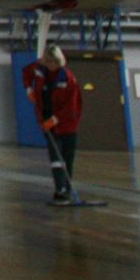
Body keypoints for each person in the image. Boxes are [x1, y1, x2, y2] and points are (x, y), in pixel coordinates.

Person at [22, 45, 84, 202]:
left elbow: (71, 106)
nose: (49, 65)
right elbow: (26, 73)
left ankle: (67, 188)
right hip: (46, 119)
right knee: (55, 157)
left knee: (67, 158)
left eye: (52, 62)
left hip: (67, 123)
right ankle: (60, 188)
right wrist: (29, 89)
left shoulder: (68, 78)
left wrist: (55, 120)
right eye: (47, 61)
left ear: (58, 61)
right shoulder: (39, 68)